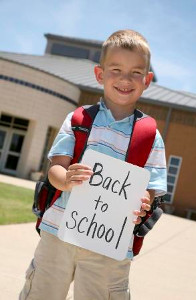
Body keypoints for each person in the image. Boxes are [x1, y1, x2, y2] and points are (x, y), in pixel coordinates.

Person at [20, 29, 167, 300]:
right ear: (100, 75)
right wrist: (64, 179)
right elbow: (55, 168)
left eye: (136, 72)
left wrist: (143, 205)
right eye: (116, 69)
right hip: (59, 233)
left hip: (109, 246)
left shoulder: (150, 135)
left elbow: (152, 189)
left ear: (146, 80)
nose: (125, 79)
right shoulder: (78, 120)